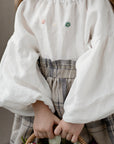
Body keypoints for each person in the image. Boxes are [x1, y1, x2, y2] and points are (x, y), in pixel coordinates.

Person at [0, 0, 114, 143]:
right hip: (41, 109)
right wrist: (40, 108)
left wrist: (77, 116)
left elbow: (104, 59)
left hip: (88, 107)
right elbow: (19, 58)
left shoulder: (96, 6)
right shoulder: (31, 5)